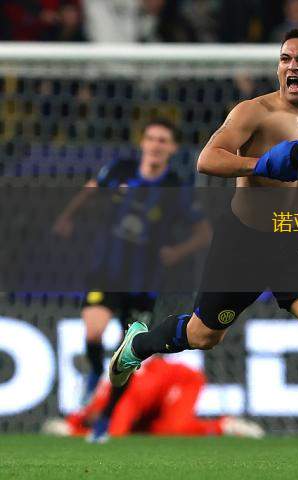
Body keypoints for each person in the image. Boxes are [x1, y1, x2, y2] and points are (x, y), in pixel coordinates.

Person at [109, 29, 298, 458]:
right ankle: (137, 346)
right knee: (203, 336)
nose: (292, 66)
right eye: (285, 58)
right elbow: (207, 158)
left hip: (293, 237)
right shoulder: (254, 111)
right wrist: (263, 164)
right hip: (245, 241)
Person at [53, 119, 212, 440]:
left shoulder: (175, 188)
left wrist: (177, 252)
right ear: (143, 142)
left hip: (145, 281)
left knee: (127, 356)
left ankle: (106, 418)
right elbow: (91, 189)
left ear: (172, 148)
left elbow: (204, 232)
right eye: (151, 138)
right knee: (94, 330)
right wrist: (68, 216)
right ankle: (94, 371)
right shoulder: (120, 170)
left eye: (163, 140)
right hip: (106, 270)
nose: (155, 144)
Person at [43, 356, 264, 439]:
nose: (88, 418)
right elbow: (87, 414)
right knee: (147, 432)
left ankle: (225, 426)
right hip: (152, 398)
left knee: (172, 430)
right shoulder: (101, 396)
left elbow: (115, 435)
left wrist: (72, 433)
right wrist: (69, 423)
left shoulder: (123, 400)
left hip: (181, 381)